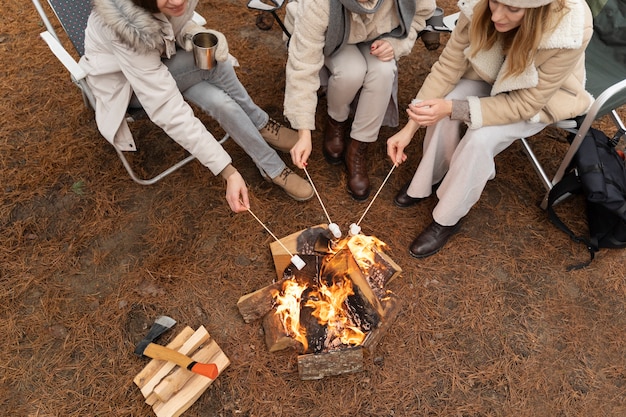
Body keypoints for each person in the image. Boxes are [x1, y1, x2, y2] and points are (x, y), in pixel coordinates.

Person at [387, 0, 593, 257]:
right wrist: (410, 128)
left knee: (480, 138)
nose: (497, 15)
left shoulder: (572, 26)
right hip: (492, 76)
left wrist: (454, 108)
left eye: (512, 9)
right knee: (447, 99)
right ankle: (427, 180)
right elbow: (448, 67)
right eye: (494, 2)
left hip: (536, 98)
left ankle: (447, 217)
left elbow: (526, 104)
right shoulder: (476, 5)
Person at [79, 0, 314, 213]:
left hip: (163, 61)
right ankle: (263, 131)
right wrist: (227, 170)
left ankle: (269, 163)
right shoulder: (123, 29)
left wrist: (193, 33)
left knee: (219, 98)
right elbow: (166, 108)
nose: (178, 1)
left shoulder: (171, 4)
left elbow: (174, 27)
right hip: (129, 88)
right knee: (214, 63)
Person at [284, 0, 437, 201]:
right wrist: (303, 133)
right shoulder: (317, 4)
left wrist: (397, 43)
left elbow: (421, 14)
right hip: (333, 36)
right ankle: (336, 121)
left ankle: (358, 146)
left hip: (376, 35)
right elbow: (303, 67)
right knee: (351, 71)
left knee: (383, 71)